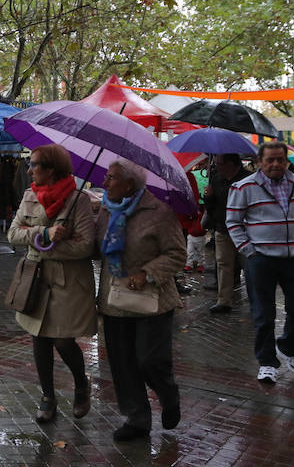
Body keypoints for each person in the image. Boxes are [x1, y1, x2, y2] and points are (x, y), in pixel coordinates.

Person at [97, 159, 186, 442]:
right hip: (114, 299)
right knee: (122, 363)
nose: (104, 183)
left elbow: (177, 254)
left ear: (129, 184)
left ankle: (169, 396)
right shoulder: (104, 209)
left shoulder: (159, 211)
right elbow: (94, 248)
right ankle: (137, 418)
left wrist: (147, 273)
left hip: (153, 301)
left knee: (150, 360)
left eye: (111, 178)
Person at [6, 144, 96, 423]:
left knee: (63, 339)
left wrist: (50, 247)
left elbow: (85, 247)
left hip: (69, 281)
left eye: (35, 164)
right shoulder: (30, 195)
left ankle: (81, 384)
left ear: (52, 169)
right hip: (36, 277)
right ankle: (48, 396)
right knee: (39, 337)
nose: (30, 169)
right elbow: (12, 234)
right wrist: (45, 232)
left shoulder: (78, 200)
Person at [226, 141, 294, 384]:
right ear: (259, 162)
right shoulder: (243, 187)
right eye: (270, 160)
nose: (275, 164)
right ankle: (267, 362)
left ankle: (286, 346)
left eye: (280, 159)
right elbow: (233, 221)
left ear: (287, 161)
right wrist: (248, 250)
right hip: (261, 260)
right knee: (263, 314)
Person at [203, 154, 251, 313]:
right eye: (215, 164)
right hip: (222, 229)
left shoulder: (249, 179)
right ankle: (224, 300)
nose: (216, 166)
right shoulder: (216, 179)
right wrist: (208, 197)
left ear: (231, 163)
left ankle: (256, 298)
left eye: (219, 163)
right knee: (223, 265)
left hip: (246, 231)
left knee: (249, 265)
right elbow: (211, 208)